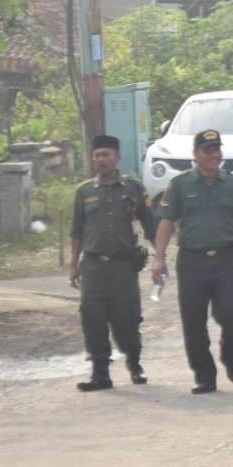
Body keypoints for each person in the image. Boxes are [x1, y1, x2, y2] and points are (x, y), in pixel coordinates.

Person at [152, 129, 233, 394]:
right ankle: (204, 375)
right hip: (192, 261)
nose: (213, 155)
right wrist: (158, 258)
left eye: (216, 149)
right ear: (195, 154)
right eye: (207, 150)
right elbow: (166, 221)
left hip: (225, 259)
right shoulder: (179, 185)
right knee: (193, 320)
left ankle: (229, 355)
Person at [69, 135, 157, 392]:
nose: (101, 160)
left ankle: (134, 363)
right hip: (93, 266)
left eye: (106, 155)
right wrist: (73, 266)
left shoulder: (133, 189)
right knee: (92, 318)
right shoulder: (84, 192)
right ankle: (100, 373)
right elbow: (76, 232)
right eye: (97, 156)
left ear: (117, 158)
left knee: (127, 317)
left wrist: (159, 258)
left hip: (123, 267)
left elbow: (150, 225)